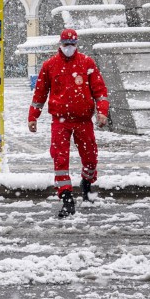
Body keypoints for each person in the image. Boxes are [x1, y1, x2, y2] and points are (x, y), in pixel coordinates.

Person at [27, 28, 110, 218]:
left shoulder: (87, 62)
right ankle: (66, 198)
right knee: (60, 159)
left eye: (73, 44)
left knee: (90, 157)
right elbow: (39, 94)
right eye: (66, 44)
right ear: (60, 44)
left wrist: (102, 112)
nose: (69, 48)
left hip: (83, 121)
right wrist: (33, 116)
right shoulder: (50, 65)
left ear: (77, 45)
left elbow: (99, 90)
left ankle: (87, 182)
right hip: (60, 121)